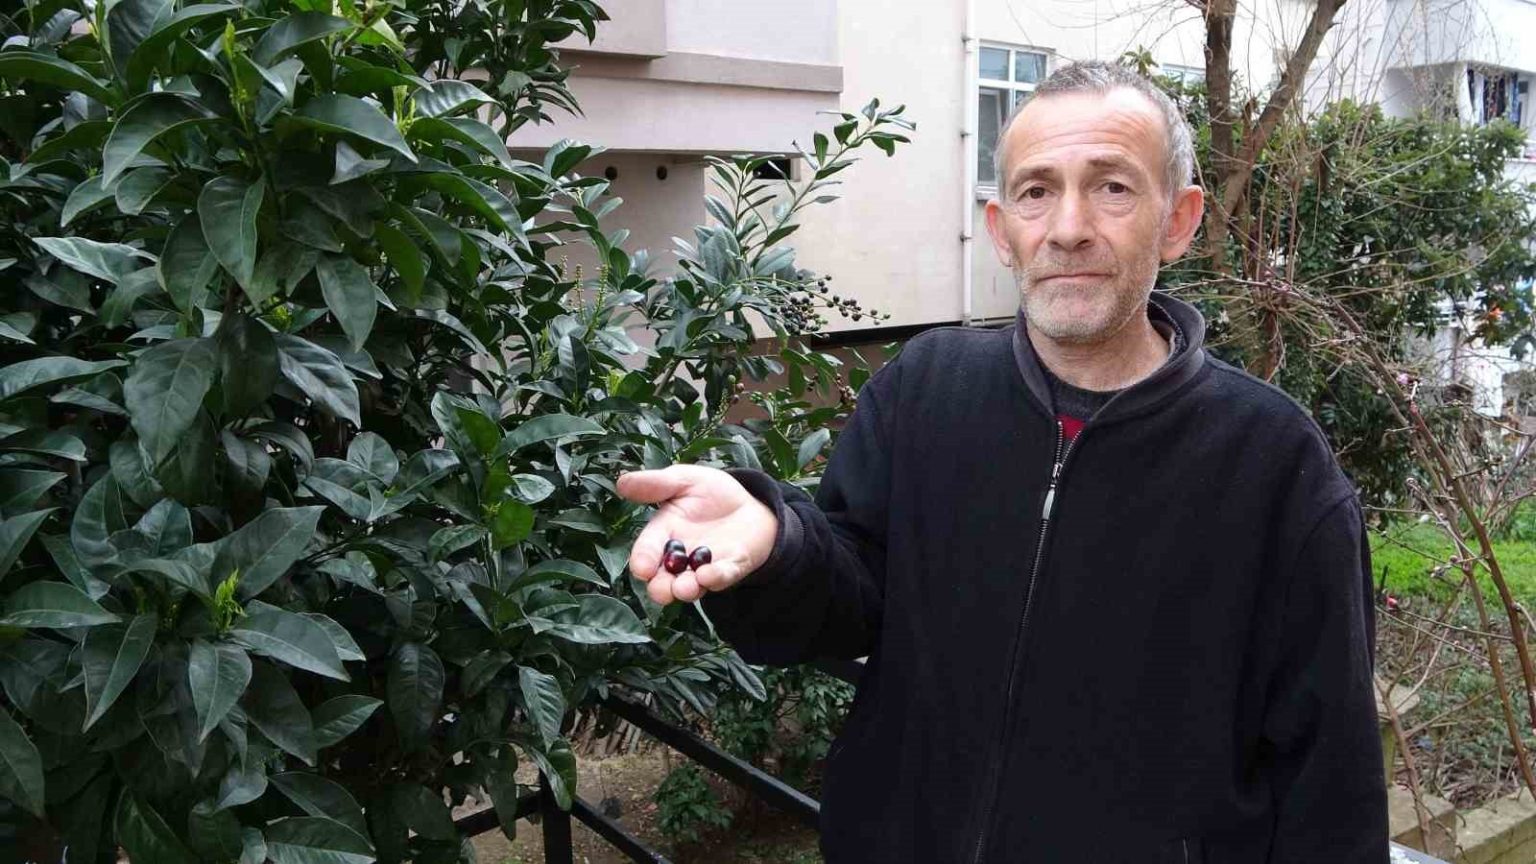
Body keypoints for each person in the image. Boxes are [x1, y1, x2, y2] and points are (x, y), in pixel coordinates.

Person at [616, 61, 1387, 863]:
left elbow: (1330, 786)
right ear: (1001, 228)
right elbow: (846, 600)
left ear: (1178, 220)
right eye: (1036, 191)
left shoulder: (1275, 465)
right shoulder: (925, 388)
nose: (1068, 228)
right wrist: (777, 544)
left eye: (1113, 187)